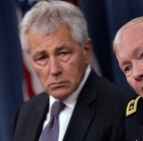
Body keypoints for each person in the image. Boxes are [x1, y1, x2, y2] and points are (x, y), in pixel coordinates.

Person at [13, 1, 135, 141]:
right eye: (42, 58)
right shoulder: (25, 113)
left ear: (86, 51)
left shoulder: (122, 109)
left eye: (63, 53)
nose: (54, 70)